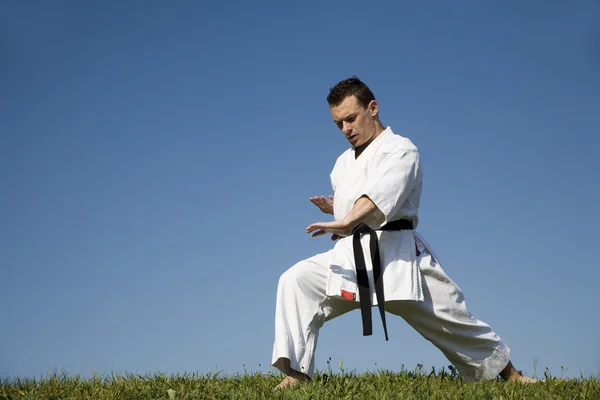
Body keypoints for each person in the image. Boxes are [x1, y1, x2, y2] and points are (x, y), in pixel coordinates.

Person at [270, 76, 537, 389]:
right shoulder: (342, 163)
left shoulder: (402, 150)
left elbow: (380, 198)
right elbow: (355, 202)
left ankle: (512, 377)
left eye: (351, 119)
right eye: (339, 123)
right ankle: (297, 375)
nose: (346, 129)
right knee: (296, 280)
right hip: (353, 255)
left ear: (373, 108)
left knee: (451, 317)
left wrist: (344, 222)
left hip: (398, 255)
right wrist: (337, 210)